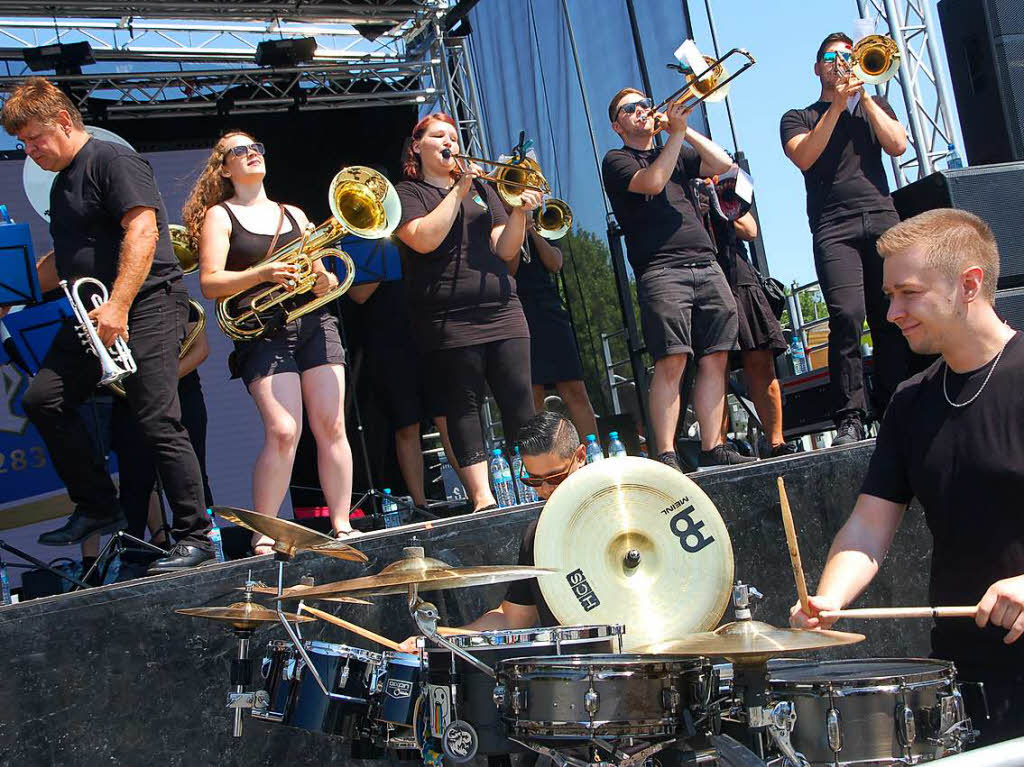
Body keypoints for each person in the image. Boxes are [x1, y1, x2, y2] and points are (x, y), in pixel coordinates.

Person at [790, 209, 1024, 747]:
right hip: (967, 673)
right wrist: (829, 598)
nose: (890, 312)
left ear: (968, 284)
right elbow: (869, 528)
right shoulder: (911, 400)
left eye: (907, 293)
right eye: (888, 295)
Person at [0, 77, 213, 571]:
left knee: (156, 417)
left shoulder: (113, 161)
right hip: (92, 309)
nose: (29, 150)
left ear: (64, 122)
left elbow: (142, 228)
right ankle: (98, 505)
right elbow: (70, 256)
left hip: (145, 304)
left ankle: (195, 535)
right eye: (22, 143)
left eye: (34, 138)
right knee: (43, 398)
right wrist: (12, 296)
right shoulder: (60, 182)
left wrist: (117, 305)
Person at [183, 130, 357, 550]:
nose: (251, 154)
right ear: (225, 168)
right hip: (262, 330)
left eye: (256, 148)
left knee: (332, 425)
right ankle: (264, 532)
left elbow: (323, 277)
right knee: (283, 430)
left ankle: (342, 524)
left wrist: (322, 279)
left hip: (313, 323)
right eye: (238, 152)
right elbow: (210, 282)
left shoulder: (294, 214)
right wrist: (261, 274)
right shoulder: (220, 216)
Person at [394, 113, 539, 511]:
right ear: (417, 146)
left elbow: (504, 250)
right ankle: (482, 498)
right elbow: (423, 239)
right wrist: (456, 191)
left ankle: (537, 486)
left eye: (455, 138)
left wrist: (519, 214)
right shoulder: (408, 193)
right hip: (448, 317)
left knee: (519, 401)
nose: (450, 143)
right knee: (464, 406)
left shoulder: (482, 189)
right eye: (439, 136)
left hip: (502, 308)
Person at [602, 88, 753, 470]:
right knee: (672, 359)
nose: (642, 110)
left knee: (716, 357)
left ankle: (712, 444)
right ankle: (666, 452)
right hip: (661, 268)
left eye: (643, 103)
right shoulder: (617, 159)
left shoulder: (676, 148)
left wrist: (682, 129)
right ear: (617, 125)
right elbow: (652, 182)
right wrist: (674, 137)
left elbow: (721, 164)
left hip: (705, 261)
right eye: (630, 109)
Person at [780, 32, 911, 445]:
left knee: (891, 314)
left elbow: (898, 144)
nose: (840, 62)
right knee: (847, 316)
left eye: (847, 55)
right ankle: (850, 415)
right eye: (831, 57)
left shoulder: (874, 107)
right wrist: (837, 106)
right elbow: (804, 155)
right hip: (834, 226)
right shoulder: (798, 116)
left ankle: (897, 406)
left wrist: (865, 98)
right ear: (817, 67)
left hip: (882, 217)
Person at [399, 410, 584, 650]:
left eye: (555, 477)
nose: (545, 490)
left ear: (580, 456)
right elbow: (511, 618)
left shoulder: (626, 510)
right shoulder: (538, 536)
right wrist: (437, 639)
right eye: (534, 481)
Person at [81, 302, 215, 580]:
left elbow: (201, 349)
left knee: (193, 471)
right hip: (129, 399)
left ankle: (206, 543)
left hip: (182, 394)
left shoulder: (174, 299)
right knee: (136, 480)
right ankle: (133, 558)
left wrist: (158, 382)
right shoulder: (109, 305)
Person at [693, 171, 791, 457]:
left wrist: (716, 202)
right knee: (714, 366)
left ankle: (776, 442)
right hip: (702, 277)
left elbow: (750, 230)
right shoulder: (678, 185)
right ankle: (719, 447)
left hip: (739, 276)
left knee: (761, 361)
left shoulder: (724, 187)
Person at [347, 279, 464, 508]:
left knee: (447, 419)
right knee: (407, 425)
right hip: (388, 341)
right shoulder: (369, 252)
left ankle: (477, 496)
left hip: (430, 332)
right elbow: (358, 295)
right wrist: (385, 254)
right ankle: (420, 506)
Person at [509, 209, 599, 441]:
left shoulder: (543, 217)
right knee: (534, 395)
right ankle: (546, 461)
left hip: (549, 310)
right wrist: (517, 223)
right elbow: (510, 268)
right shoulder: (499, 219)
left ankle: (594, 453)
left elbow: (555, 262)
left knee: (575, 390)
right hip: (518, 311)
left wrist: (532, 229)